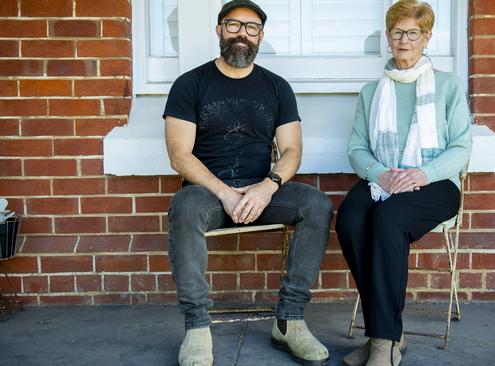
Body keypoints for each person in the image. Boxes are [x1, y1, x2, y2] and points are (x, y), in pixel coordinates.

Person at [163, 1, 332, 365]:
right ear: (219, 30)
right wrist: (223, 192)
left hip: (262, 192)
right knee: (185, 205)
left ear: (261, 36)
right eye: (234, 25)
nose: (242, 33)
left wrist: (267, 186)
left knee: (316, 204)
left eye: (251, 27)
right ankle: (196, 327)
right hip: (208, 196)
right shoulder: (190, 84)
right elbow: (179, 154)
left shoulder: (276, 87)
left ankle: (289, 322)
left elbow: (292, 151)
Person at [335, 1, 472, 365]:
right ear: (388, 36)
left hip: (435, 184)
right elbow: (357, 148)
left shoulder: (447, 86)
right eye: (398, 32)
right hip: (385, 178)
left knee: (387, 221)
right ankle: (389, 334)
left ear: (427, 38)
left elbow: (461, 146)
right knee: (350, 219)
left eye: (413, 33)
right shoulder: (371, 92)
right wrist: (380, 174)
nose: (404, 40)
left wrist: (423, 174)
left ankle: (382, 342)